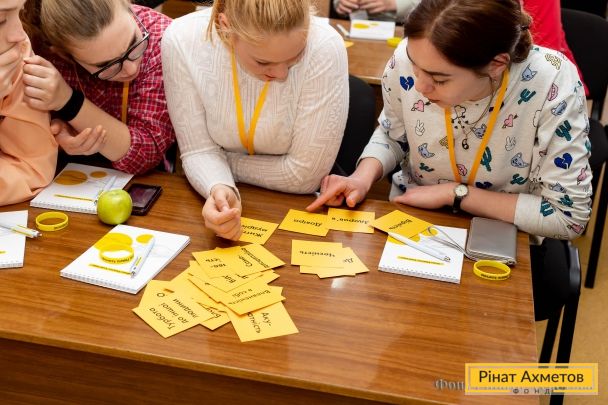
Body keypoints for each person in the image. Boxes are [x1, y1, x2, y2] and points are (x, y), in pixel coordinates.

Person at [309, 0, 591, 243]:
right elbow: (393, 134)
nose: (420, 86)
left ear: (496, 65)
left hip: (506, 235)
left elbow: (568, 217)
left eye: (439, 79)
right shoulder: (412, 55)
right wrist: (361, 177)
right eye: (414, 68)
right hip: (413, 219)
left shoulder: (552, 82)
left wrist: (455, 195)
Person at [162, 0, 349, 240]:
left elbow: (303, 176)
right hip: (223, 199)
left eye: (295, 56)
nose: (281, 74)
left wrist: (220, 162)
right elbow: (197, 151)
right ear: (226, 27)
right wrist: (220, 187)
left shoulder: (325, 46)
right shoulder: (181, 39)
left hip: (298, 209)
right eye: (263, 62)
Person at [21, 0, 175, 175]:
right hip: (66, 174)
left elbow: (146, 153)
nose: (131, 69)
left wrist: (68, 102)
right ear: (64, 55)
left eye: (134, 42)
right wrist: (55, 135)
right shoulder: (39, 51)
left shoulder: (165, 40)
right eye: (106, 65)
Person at [0, 0, 57, 206]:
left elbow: (32, 168)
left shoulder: (15, 52)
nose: (19, 34)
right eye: (1, 20)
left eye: (20, 12)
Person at [333, 0, 420, 22]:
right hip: (351, 25)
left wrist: (394, 4)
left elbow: (426, 4)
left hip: (401, 28)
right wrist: (340, 3)